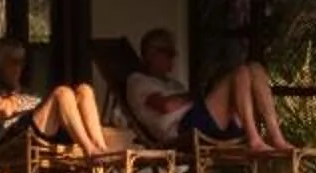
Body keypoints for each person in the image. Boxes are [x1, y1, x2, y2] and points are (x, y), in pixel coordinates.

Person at [120, 28, 295, 150]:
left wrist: (199, 96)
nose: (173, 58)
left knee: (255, 68)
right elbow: (165, 106)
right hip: (182, 130)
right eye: (169, 53)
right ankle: (254, 139)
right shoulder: (138, 81)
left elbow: (185, 100)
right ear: (151, 53)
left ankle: (276, 136)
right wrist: (198, 96)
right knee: (240, 72)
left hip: (202, 121)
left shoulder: (173, 84)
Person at [0, 39, 126, 155]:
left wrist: (22, 95)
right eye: (13, 62)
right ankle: (90, 152)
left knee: (84, 90)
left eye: (21, 62)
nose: (19, 67)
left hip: (43, 132)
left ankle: (100, 148)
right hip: (14, 140)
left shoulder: (25, 90)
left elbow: (39, 106)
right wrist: (17, 95)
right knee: (62, 93)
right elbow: (3, 111)